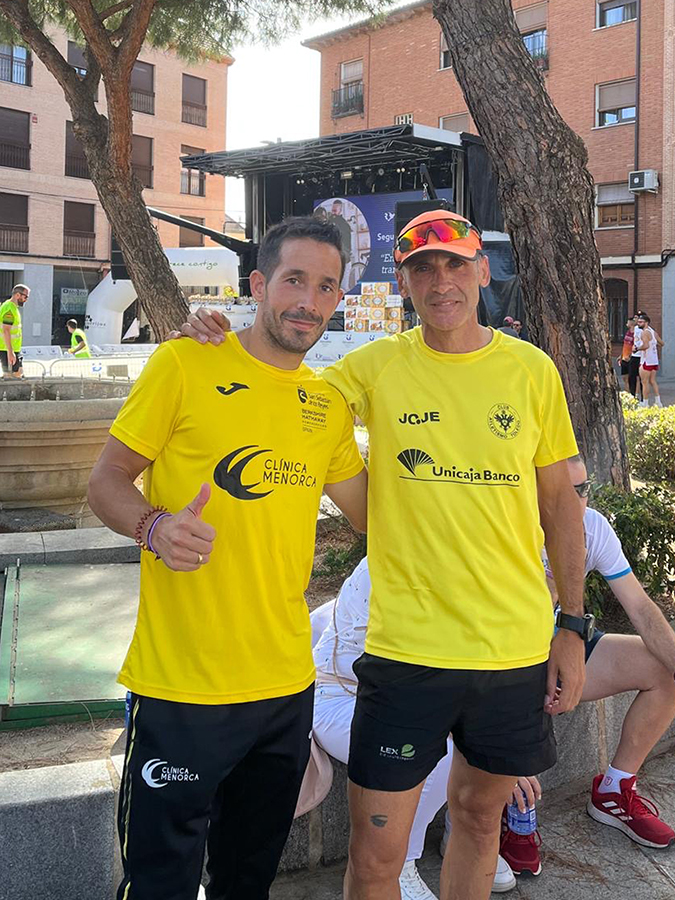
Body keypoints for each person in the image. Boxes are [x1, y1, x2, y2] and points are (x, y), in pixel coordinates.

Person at [181, 208, 586, 900]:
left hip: (512, 649)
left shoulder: (531, 370)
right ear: (403, 283)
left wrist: (571, 628)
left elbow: (560, 505)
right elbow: (281, 388)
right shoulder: (375, 367)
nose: (441, 281)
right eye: (422, 268)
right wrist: (212, 342)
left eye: (455, 263)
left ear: (482, 271)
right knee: (373, 859)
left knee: (478, 820)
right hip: (405, 652)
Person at [87, 216, 368, 900]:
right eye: (294, 280)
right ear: (258, 284)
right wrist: (154, 526)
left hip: (284, 691)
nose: (308, 301)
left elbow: (378, 518)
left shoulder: (325, 405)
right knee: (159, 885)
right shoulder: (185, 363)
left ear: (338, 299)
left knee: (247, 881)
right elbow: (104, 482)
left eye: (325, 286)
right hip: (182, 688)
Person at [500, 455, 675, 876]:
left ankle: (614, 791)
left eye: (584, 488)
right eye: (568, 490)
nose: (580, 500)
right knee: (515, 686)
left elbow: (641, 608)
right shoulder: (506, 529)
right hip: (506, 659)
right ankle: (504, 811)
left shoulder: (593, 527)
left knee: (664, 669)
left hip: (565, 647)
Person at [311, 559, 517, 899]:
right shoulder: (397, 564)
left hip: (397, 699)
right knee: (438, 750)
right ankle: (401, 864)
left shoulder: (463, 564)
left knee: (482, 745)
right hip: (338, 697)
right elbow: (413, 682)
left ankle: (460, 835)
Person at [635, 313, 664, 407]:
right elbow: (662, 343)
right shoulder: (653, 332)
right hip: (654, 360)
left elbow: (646, 346)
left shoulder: (644, 332)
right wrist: (654, 345)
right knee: (652, 381)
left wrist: (637, 349)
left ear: (646, 323)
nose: (638, 323)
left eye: (641, 322)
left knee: (644, 382)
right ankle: (658, 401)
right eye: (638, 322)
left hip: (646, 360)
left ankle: (645, 403)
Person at [1, 283, 30, 378]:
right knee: (14, 375)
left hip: (11, 348)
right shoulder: (9, 309)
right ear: (17, 295)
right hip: (7, 349)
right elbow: (6, 330)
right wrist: (10, 352)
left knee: (16, 374)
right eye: (25, 297)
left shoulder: (12, 307)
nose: (26, 299)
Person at [617, 317, 636, 393]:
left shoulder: (635, 334)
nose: (626, 324)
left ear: (631, 324)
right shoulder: (628, 332)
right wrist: (621, 355)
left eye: (627, 322)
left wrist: (630, 355)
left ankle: (631, 393)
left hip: (630, 358)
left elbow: (635, 346)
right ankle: (626, 392)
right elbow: (625, 345)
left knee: (630, 378)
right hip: (624, 357)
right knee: (624, 377)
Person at [628, 313, 643, 400]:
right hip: (634, 355)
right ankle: (632, 395)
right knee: (631, 376)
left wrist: (638, 348)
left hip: (641, 356)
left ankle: (643, 398)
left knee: (641, 379)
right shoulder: (636, 328)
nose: (635, 319)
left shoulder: (645, 330)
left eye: (636, 318)